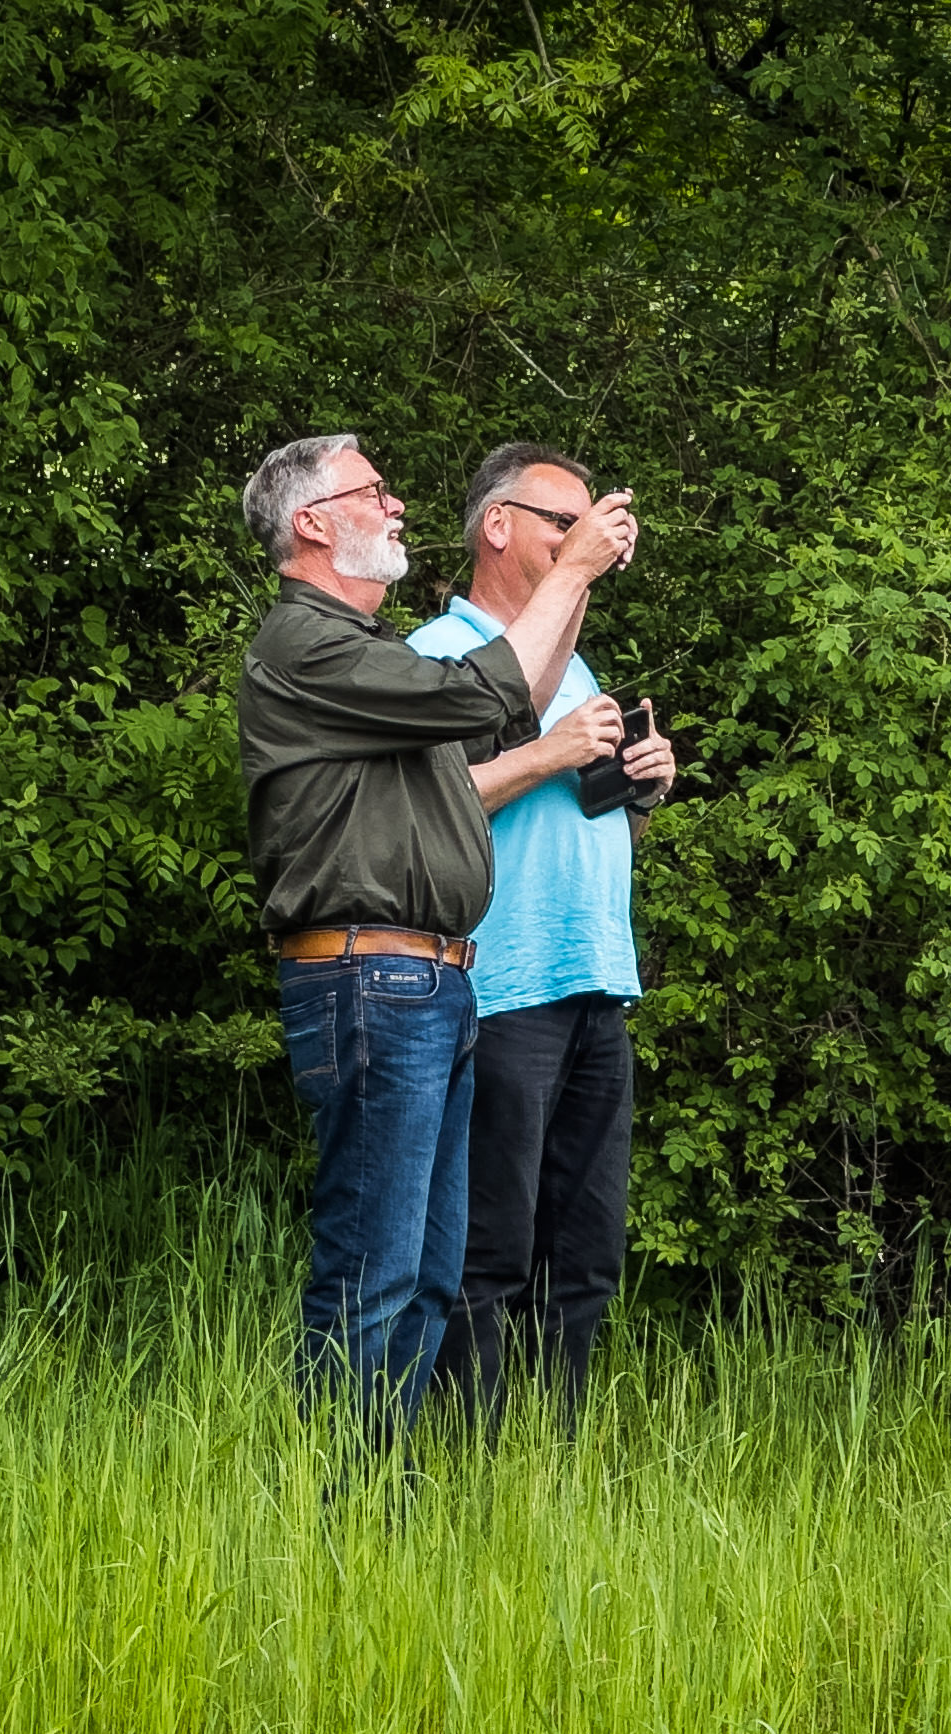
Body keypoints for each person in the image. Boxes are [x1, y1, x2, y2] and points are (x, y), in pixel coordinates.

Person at [236, 433, 638, 1450]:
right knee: (374, 1272)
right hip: (369, 976)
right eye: (373, 491)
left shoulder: (365, 648)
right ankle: (339, 1501)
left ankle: (399, 1495)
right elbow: (486, 699)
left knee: (426, 1273)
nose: (398, 505)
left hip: (430, 979)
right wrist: (576, 567)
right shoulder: (309, 644)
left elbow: (506, 701)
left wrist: (574, 582)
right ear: (311, 523)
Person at [410, 445, 678, 1439]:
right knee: (490, 1248)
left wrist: (640, 788)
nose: (581, 538)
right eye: (562, 521)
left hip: (594, 979)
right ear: (498, 525)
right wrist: (550, 751)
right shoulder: (442, 651)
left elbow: (589, 824)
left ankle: (546, 1469)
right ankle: (469, 1467)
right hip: (500, 983)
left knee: (585, 1255)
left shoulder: (578, 661)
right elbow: (423, 806)